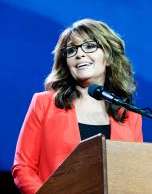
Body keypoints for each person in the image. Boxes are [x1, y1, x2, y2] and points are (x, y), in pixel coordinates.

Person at [11, 18, 143, 194]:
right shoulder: (43, 104)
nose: (79, 54)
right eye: (71, 50)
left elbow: (137, 175)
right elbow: (23, 168)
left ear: (109, 57)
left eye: (89, 46)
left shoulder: (129, 115)